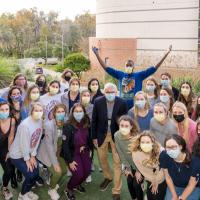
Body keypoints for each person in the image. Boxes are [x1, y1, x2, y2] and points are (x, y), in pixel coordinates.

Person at [92, 45, 172, 108]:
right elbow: (106, 68)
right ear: (124, 66)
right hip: (121, 106)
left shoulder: (139, 75)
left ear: (133, 67)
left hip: (136, 107)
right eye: (127, 65)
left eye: (130, 65)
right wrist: (97, 55)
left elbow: (154, 68)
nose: (128, 67)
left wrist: (165, 54)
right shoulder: (120, 75)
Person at [92, 83, 127, 200]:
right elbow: (94, 120)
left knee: (117, 162)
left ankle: (116, 190)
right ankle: (108, 177)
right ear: (104, 92)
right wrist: (94, 137)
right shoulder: (97, 101)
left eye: (112, 92)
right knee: (102, 159)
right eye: (108, 92)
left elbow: (125, 121)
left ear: (116, 92)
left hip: (116, 135)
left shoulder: (122, 102)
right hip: (101, 134)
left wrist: (123, 137)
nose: (110, 94)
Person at [9, 103, 44, 200]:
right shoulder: (25, 125)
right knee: (30, 174)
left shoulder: (40, 121)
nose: (38, 112)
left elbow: (37, 139)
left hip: (28, 153)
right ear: (31, 111)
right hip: (17, 154)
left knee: (36, 173)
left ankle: (28, 190)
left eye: (41, 110)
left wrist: (33, 156)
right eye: (36, 110)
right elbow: (23, 144)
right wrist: (27, 159)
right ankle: (22, 194)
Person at [60, 103, 93, 200]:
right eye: (76, 111)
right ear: (72, 113)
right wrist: (70, 161)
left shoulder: (87, 122)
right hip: (73, 153)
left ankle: (77, 184)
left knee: (87, 172)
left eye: (80, 111)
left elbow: (88, 139)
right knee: (79, 174)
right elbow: (65, 146)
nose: (78, 113)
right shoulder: (67, 126)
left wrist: (89, 150)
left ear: (84, 112)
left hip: (85, 151)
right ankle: (68, 188)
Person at [37, 104, 67, 200]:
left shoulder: (64, 123)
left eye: (63, 112)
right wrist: (55, 164)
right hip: (47, 154)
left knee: (64, 171)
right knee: (57, 172)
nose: (61, 114)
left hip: (58, 152)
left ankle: (53, 182)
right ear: (54, 113)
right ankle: (51, 189)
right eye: (58, 112)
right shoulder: (49, 125)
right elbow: (49, 146)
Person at [159, 134, 200, 200]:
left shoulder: (195, 161)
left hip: (192, 188)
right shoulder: (164, 156)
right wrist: (174, 195)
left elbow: (192, 184)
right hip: (174, 186)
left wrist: (181, 198)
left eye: (173, 147)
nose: (170, 150)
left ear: (180, 146)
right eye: (168, 147)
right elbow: (168, 177)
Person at [129, 131, 167, 200]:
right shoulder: (135, 153)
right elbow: (143, 170)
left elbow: (162, 169)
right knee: (150, 197)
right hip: (150, 177)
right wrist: (152, 180)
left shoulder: (161, 152)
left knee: (157, 196)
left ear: (152, 143)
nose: (145, 144)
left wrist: (156, 181)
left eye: (148, 142)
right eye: (142, 142)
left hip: (162, 177)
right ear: (139, 143)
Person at [114, 115, 139, 200]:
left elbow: (140, 156)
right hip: (127, 163)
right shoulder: (116, 135)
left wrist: (138, 171)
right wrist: (127, 168)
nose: (124, 128)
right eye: (122, 125)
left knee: (137, 184)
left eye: (126, 126)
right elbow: (120, 153)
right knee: (129, 183)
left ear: (131, 126)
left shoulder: (137, 137)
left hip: (138, 164)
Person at [0, 102, 16, 200]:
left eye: (7, 109)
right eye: (2, 110)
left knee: (9, 170)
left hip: (5, 148)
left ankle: (4, 187)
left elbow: (11, 136)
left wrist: (9, 151)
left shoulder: (12, 120)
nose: (4, 112)